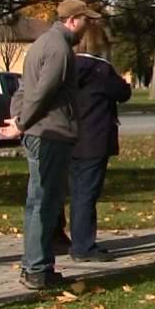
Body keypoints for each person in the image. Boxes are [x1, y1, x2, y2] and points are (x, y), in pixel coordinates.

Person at [0, 0, 100, 289]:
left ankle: (35, 266)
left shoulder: (41, 44)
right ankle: (37, 270)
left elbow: (23, 88)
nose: (87, 26)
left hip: (40, 133)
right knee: (45, 203)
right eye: (86, 20)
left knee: (38, 202)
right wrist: (20, 122)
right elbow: (41, 92)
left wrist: (17, 118)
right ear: (73, 20)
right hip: (50, 135)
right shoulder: (59, 49)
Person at [66, 24, 131, 262]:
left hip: (72, 137)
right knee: (88, 193)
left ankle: (78, 239)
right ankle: (83, 246)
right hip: (95, 138)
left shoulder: (68, 67)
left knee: (77, 191)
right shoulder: (101, 70)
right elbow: (123, 93)